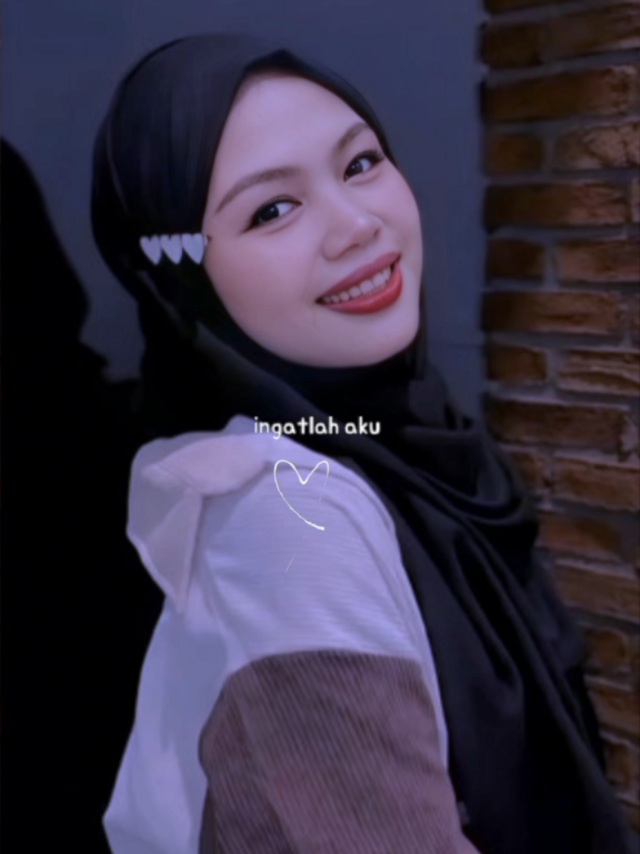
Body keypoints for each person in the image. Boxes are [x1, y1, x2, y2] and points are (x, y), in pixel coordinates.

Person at [91, 34, 637, 854]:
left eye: (360, 163)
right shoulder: (285, 514)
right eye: (271, 210)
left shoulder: (420, 450)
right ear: (181, 279)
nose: (356, 225)